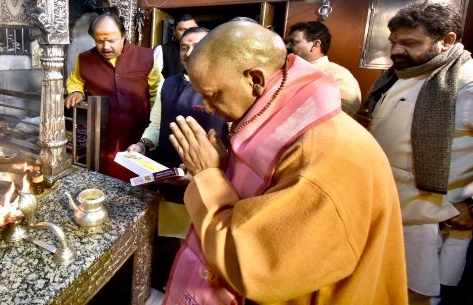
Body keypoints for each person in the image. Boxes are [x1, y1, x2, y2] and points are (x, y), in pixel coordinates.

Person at [163, 20, 408, 304]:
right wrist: (225, 167)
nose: (205, 106)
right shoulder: (287, 119)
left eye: (214, 94)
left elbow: (254, 265)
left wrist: (208, 177)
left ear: (255, 79)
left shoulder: (325, 154)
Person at [361, 1, 473, 304]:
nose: (396, 51)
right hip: (389, 211)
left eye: (410, 43)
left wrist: (472, 205)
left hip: (430, 221)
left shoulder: (465, 83)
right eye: (394, 42)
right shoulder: (400, 75)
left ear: (446, 40)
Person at [65, 13, 163, 181]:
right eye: (99, 41)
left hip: (138, 134)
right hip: (102, 135)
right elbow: (75, 81)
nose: (105, 47)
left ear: (123, 35)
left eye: (111, 40)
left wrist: (154, 127)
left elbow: (157, 92)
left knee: (138, 181)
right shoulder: (84, 59)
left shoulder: (146, 57)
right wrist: (77, 91)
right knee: (104, 177)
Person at [128, 26, 227, 168]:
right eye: (184, 48)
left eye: (197, 47)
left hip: (208, 173)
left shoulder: (226, 88)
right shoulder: (167, 84)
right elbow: (156, 126)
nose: (189, 53)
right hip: (166, 169)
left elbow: (235, 138)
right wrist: (142, 145)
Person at [286, 21, 362, 116]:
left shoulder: (340, 75)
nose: (287, 46)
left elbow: (344, 113)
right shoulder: (286, 70)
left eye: (293, 42)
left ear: (315, 44)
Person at [154, 14, 198, 78]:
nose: (188, 32)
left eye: (192, 29)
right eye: (183, 29)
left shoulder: (205, 49)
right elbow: (153, 79)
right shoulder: (162, 50)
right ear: (174, 31)